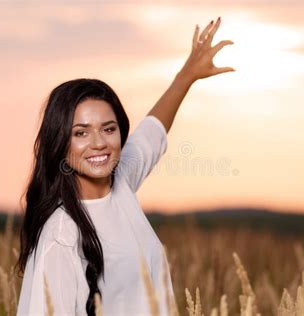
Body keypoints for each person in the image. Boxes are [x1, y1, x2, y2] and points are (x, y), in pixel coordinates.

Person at [15, 17, 234, 316]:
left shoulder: (121, 185)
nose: (99, 143)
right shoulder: (61, 236)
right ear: (60, 145)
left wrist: (187, 75)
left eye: (108, 129)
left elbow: (151, 135)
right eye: (80, 133)